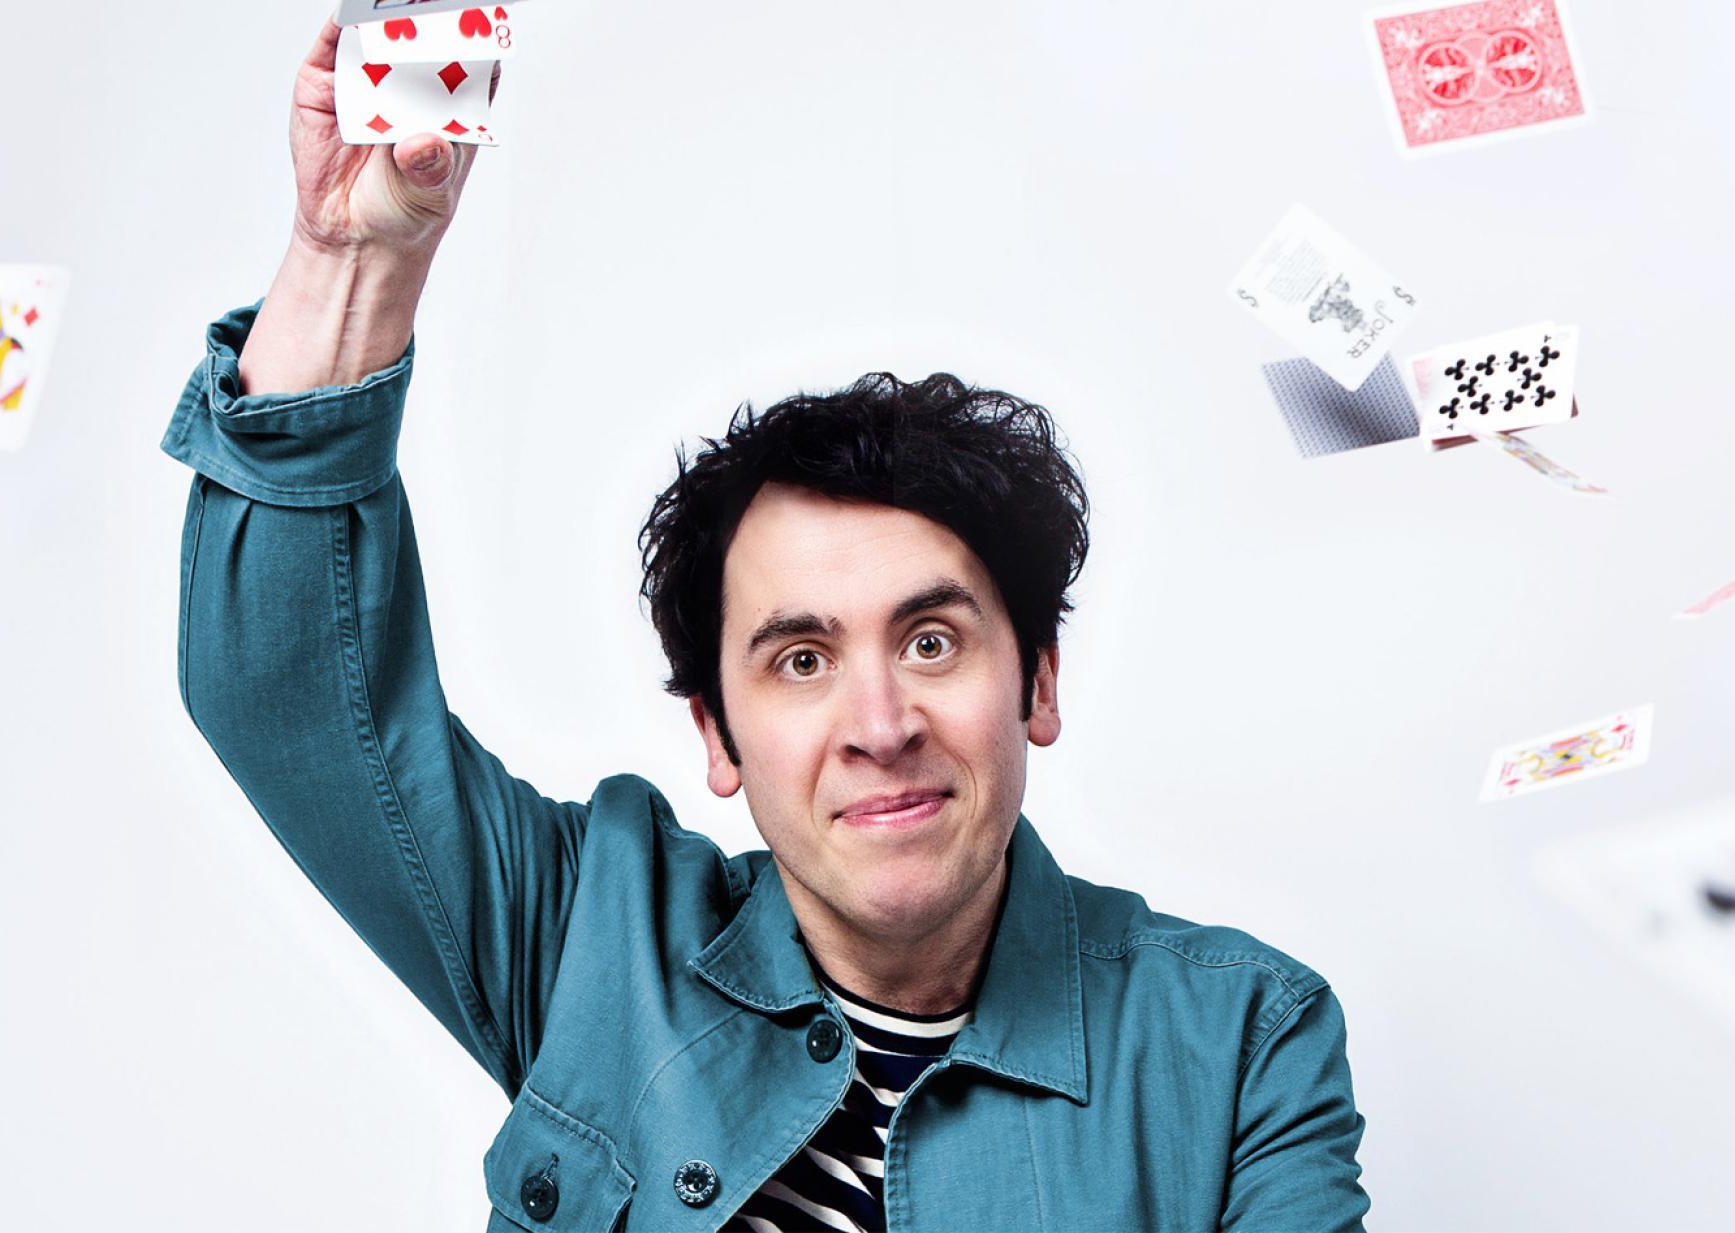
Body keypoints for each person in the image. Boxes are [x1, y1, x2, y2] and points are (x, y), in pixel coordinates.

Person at [162, 19, 1370, 1232]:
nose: (880, 725)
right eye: (800, 660)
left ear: (1037, 682)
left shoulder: (1242, 1042)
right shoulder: (594, 946)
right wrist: (353, 264)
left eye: (931, 642)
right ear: (719, 734)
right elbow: (288, 700)